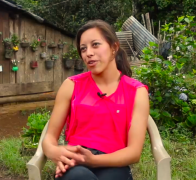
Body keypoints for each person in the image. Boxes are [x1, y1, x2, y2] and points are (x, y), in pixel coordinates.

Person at [42, 19, 150, 180]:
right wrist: (55, 151)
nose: (88, 53)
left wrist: (93, 160)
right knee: (79, 176)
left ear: (114, 47)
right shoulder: (71, 85)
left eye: (95, 45)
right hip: (76, 164)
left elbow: (134, 153)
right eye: (83, 49)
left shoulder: (136, 91)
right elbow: (49, 137)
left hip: (114, 164)